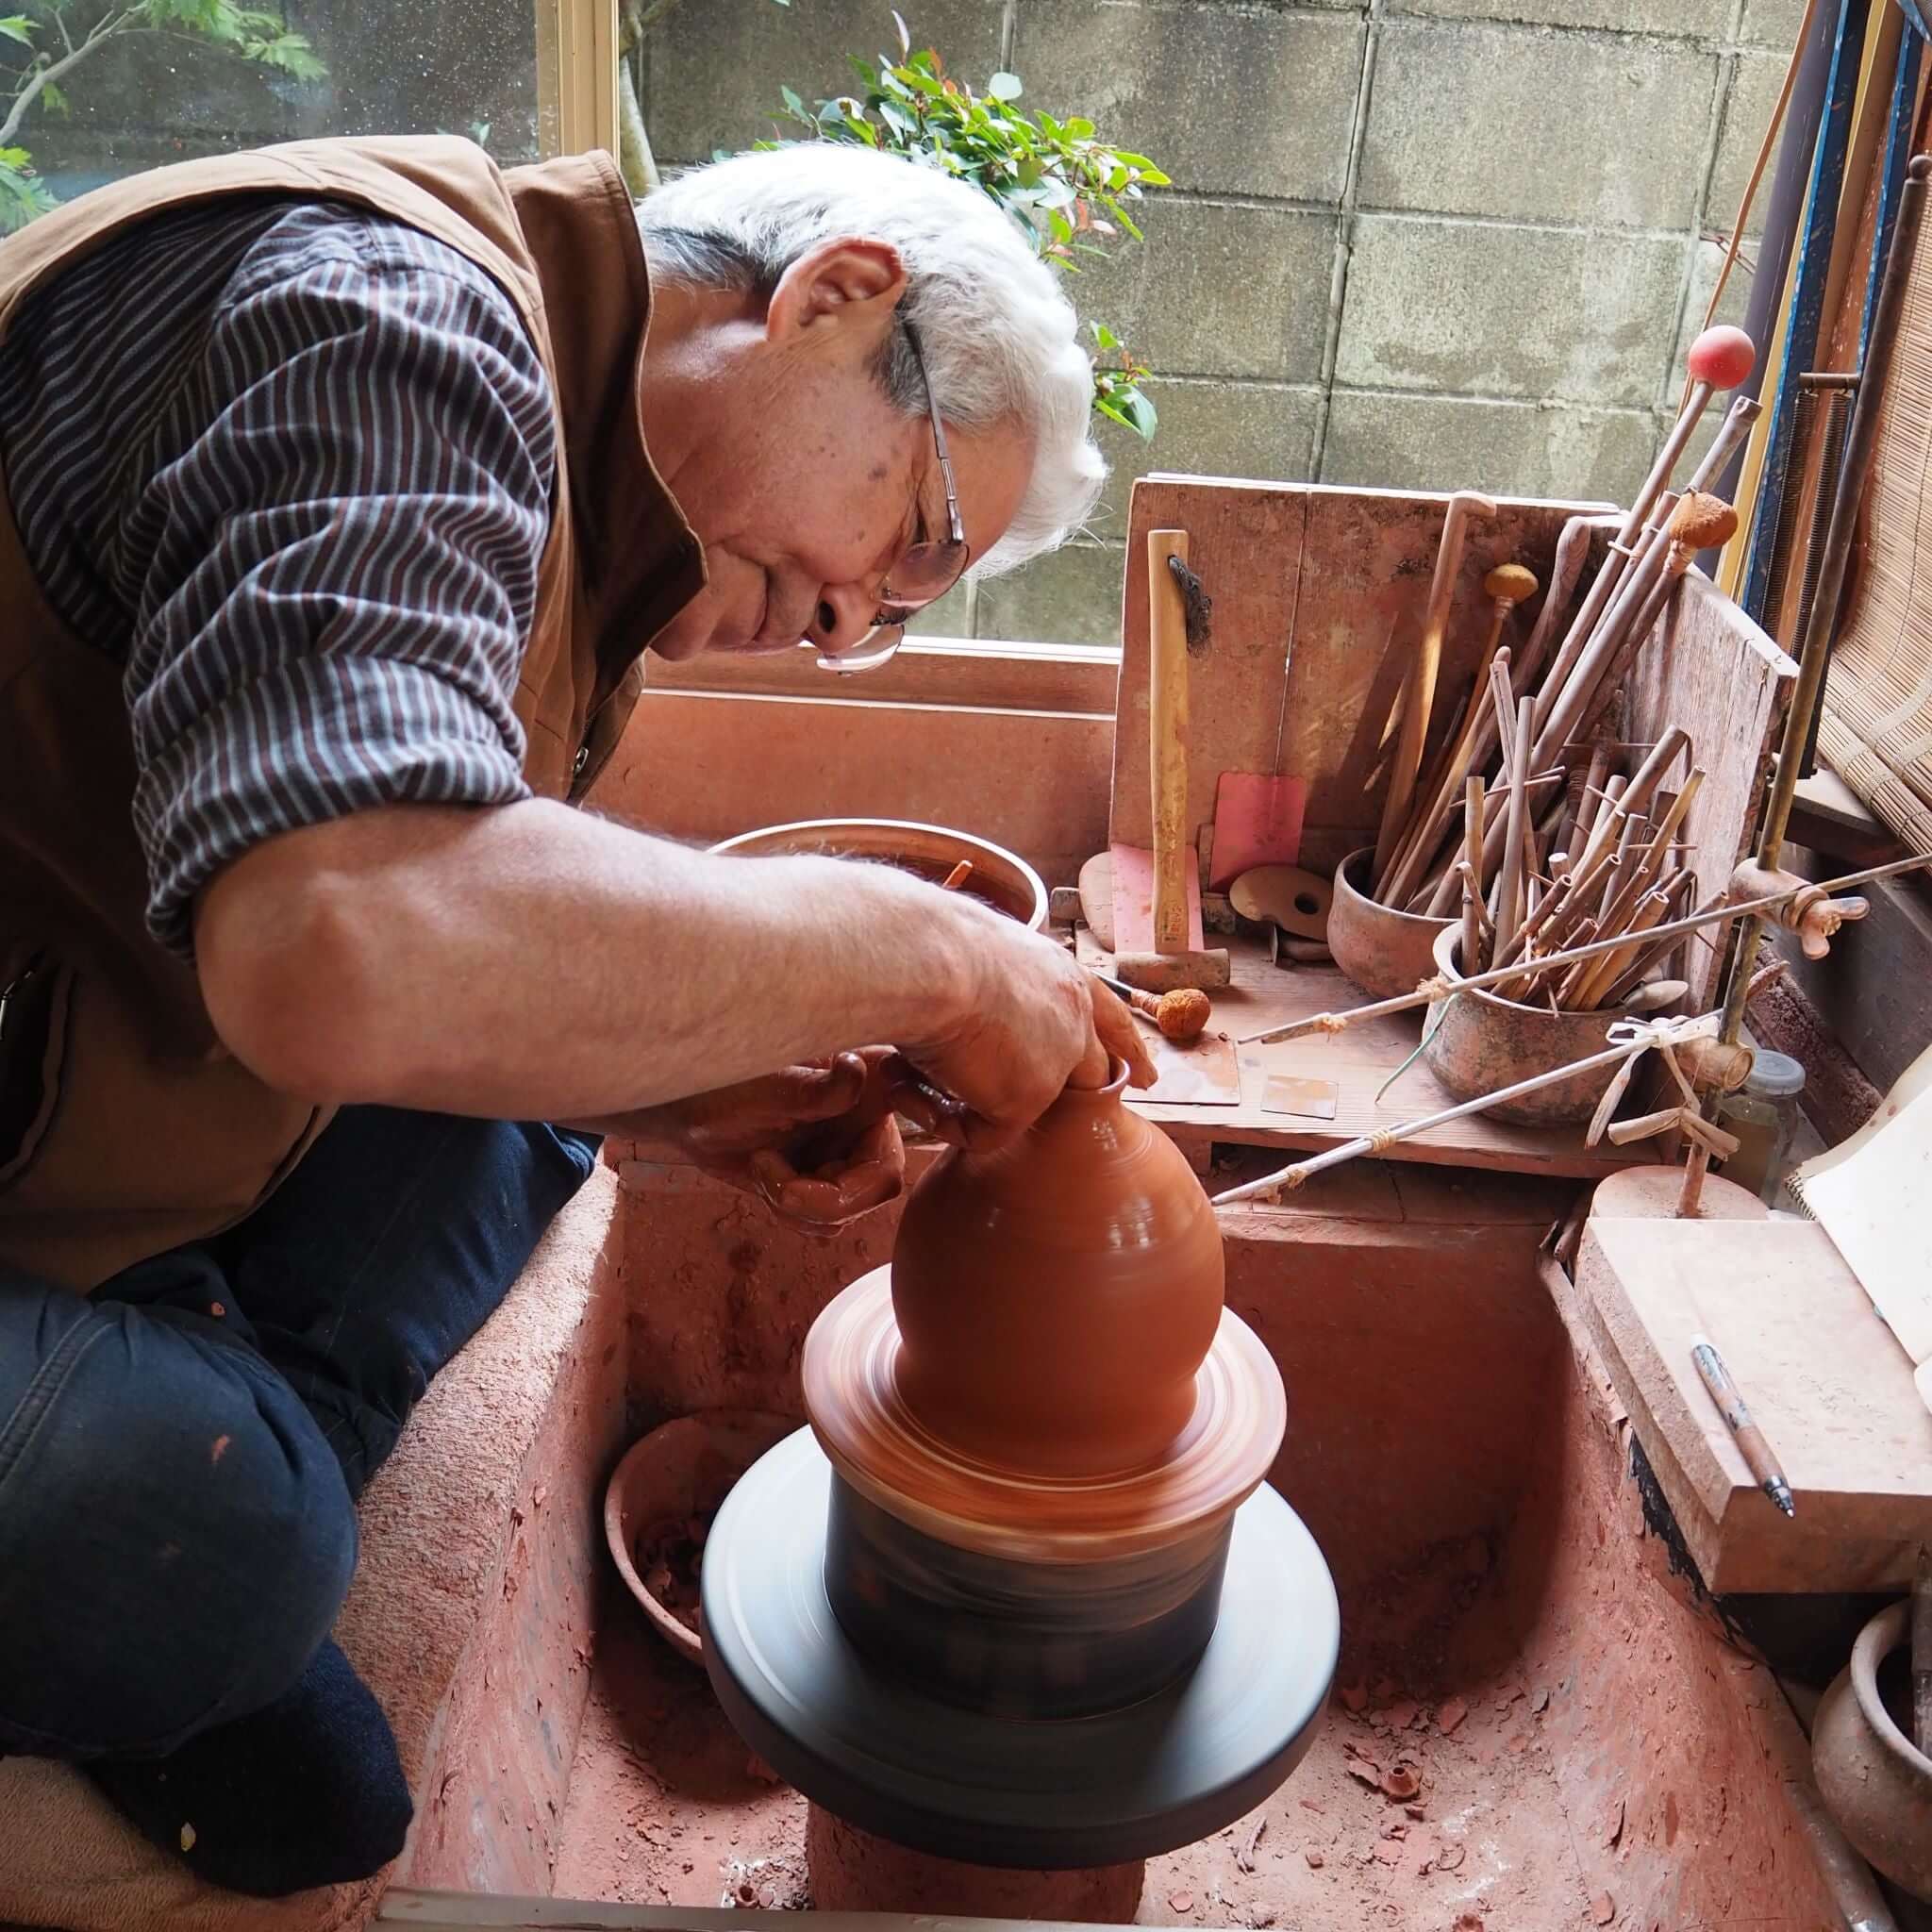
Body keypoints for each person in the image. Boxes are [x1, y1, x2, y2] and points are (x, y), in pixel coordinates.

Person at [0, 132, 1154, 1896]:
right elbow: (343, 936)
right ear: (834, 300)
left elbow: (423, 918)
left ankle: (186, 1387)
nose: (849, 621)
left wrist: (683, 1090)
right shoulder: (387, 326)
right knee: (210, 1544)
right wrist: (939, 952)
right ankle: (194, 1457)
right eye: (906, 544)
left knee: (548, 1098)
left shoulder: (573, 473)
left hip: (77, 1058)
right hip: (72, 1081)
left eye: (905, 616)